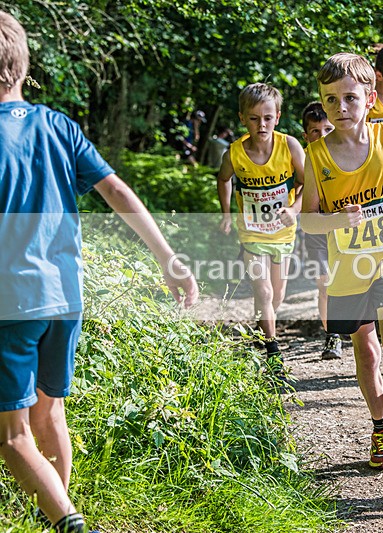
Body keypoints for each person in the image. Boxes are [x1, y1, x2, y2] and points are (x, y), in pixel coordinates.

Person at [0, 10, 198, 532]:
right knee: (50, 415)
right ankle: (53, 517)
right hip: (66, 298)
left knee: (14, 436)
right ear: (24, 67)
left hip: (11, 304)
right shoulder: (57, 126)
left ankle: (66, 521)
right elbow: (116, 190)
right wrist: (168, 257)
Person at [301, 52, 383, 469]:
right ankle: (380, 427)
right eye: (331, 100)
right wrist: (336, 219)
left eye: (350, 99)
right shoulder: (316, 156)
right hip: (347, 269)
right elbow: (308, 222)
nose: (341, 108)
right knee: (368, 352)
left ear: (370, 99)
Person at [217, 83, 304, 363]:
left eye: (267, 118)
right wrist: (227, 213)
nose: (261, 124)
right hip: (252, 233)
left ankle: (262, 329)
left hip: (282, 233)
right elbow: (223, 179)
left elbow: (308, 183)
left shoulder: (289, 145)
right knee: (263, 290)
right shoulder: (234, 153)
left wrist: (294, 208)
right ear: (243, 118)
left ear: (277, 117)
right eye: (254, 118)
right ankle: (273, 352)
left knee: (276, 295)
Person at [299, 101, 340, 360]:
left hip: (343, 228)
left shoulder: (346, 151)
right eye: (315, 131)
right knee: (324, 284)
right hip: (315, 229)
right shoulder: (303, 157)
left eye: (327, 129)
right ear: (306, 135)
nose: (322, 136)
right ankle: (332, 335)